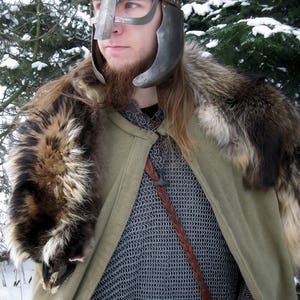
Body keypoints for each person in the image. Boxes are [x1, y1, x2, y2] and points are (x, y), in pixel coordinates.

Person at [6, 0, 300, 299]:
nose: (109, 27)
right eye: (99, 8)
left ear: (168, 15)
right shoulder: (62, 136)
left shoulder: (242, 126)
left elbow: (261, 264)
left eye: (130, 5)